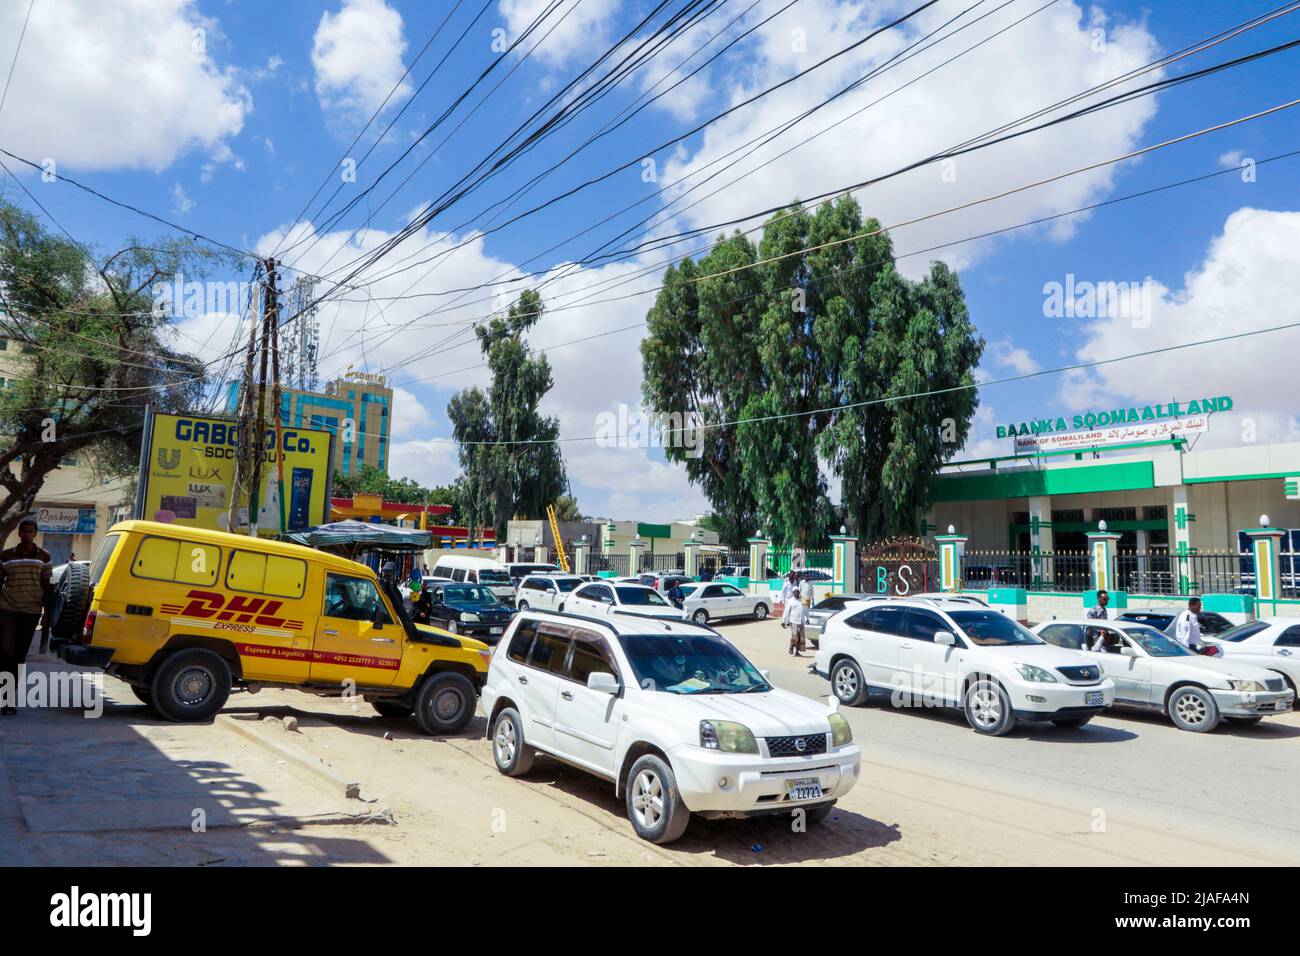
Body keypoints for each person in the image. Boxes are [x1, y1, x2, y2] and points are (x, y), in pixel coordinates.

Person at [0, 518, 53, 715]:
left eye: (30, 531)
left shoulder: (44, 556)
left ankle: (8, 700)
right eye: (23, 531)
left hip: (31, 611)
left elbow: (46, 587)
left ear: (35, 534)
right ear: (19, 533)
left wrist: (46, 614)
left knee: (18, 656)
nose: (26, 534)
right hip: (7, 608)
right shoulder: (6, 556)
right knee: (5, 651)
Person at [788, 589, 808, 656]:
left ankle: (797, 652)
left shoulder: (803, 600)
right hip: (793, 621)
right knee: (795, 636)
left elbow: (806, 610)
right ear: (793, 593)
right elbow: (786, 611)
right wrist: (785, 621)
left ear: (799, 592)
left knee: (801, 637)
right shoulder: (790, 601)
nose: (796, 593)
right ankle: (791, 646)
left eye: (797, 592)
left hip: (801, 621)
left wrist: (807, 618)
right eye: (794, 592)